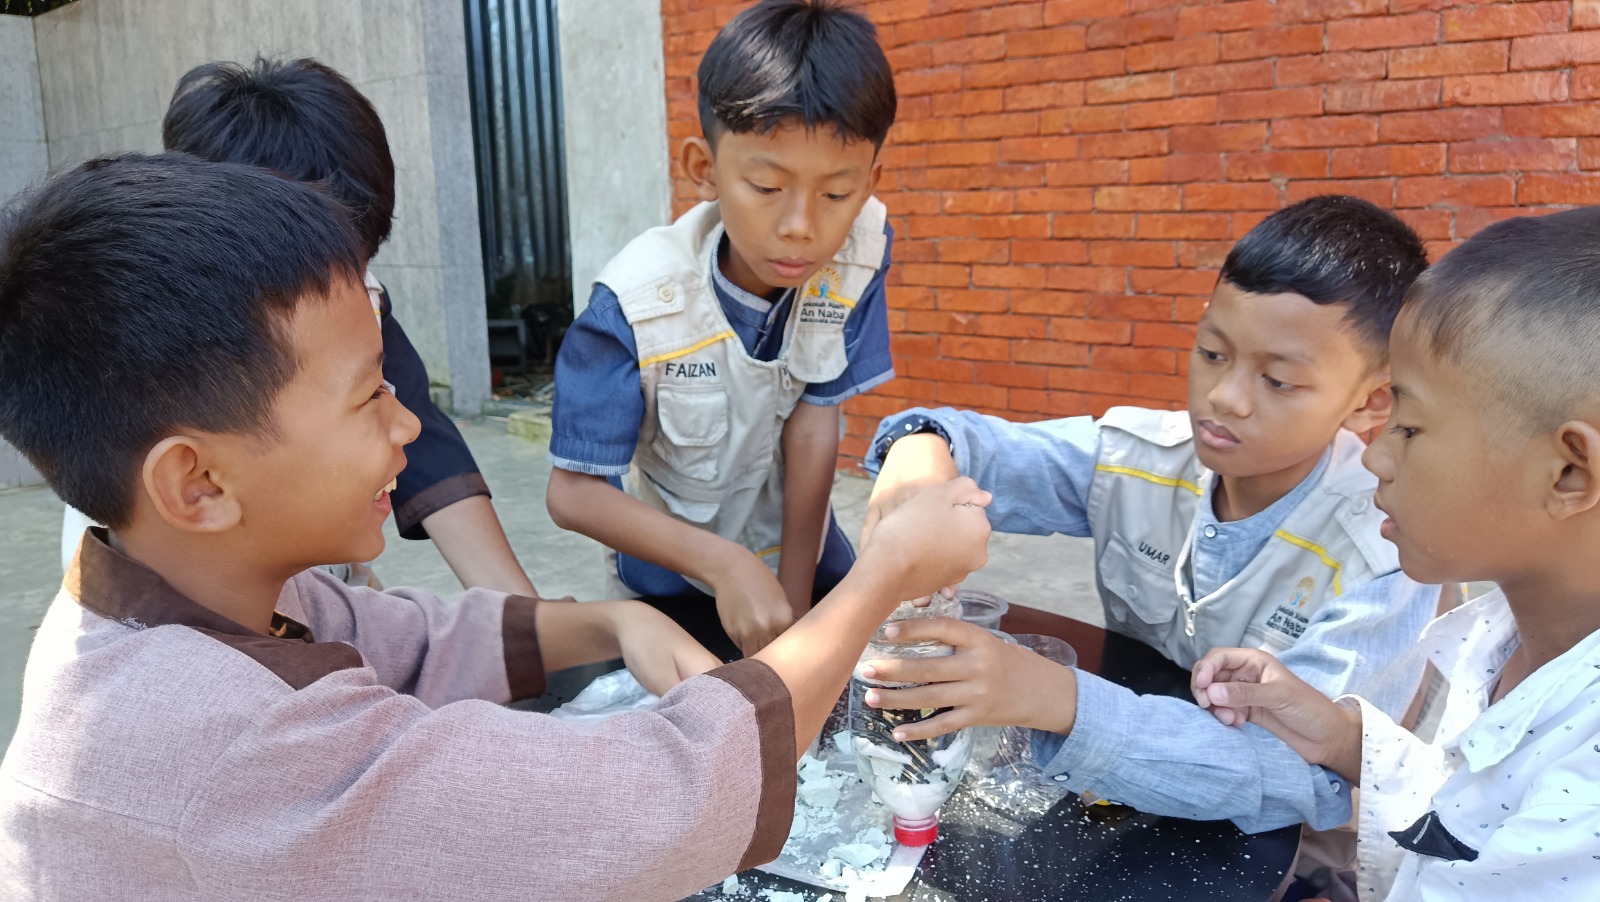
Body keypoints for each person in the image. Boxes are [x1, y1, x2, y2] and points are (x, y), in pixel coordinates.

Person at [0, 153, 992, 902]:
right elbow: (651, 802)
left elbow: (420, 637)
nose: (405, 422)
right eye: (365, 400)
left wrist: (615, 626)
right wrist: (884, 575)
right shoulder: (219, 748)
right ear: (200, 481)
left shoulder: (212, 590)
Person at [860, 197, 1440, 852]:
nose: (1225, 396)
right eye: (1213, 353)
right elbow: (981, 447)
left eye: (1277, 380)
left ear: (1371, 402)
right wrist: (919, 446)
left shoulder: (1386, 546)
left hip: (1279, 856)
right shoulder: (1144, 456)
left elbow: (1290, 775)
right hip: (1115, 797)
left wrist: (1057, 699)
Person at [1193, 206, 1600, 901]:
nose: (1376, 457)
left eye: (1408, 426)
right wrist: (1344, 742)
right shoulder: (1512, 631)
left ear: (1567, 473)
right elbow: (1478, 817)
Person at [58, 57, 538, 596]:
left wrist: (524, 616)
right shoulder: (142, 359)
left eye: (355, 263)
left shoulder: (361, 299)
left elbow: (425, 444)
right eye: (315, 271)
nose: (348, 292)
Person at [546, 0, 898, 660]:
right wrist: (724, 564)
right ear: (703, 170)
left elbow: (817, 419)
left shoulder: (858, 256)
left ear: (871, 182)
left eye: (837, 193)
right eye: (767, 186)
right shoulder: (636, 303)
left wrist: (792, 606)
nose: (802, 225)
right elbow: (573, 494)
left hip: (800, 558)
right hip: (672, 582)